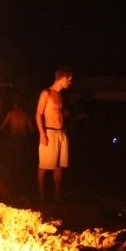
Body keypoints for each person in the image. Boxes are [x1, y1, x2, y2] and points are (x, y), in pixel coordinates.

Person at [36, 66, 73, 202]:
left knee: (59, 165)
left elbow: (60, 114)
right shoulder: (46, 93)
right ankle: (41, 196)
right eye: (69, 80)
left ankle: (57, 196)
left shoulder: (60, 95)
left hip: (61, 133)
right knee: (44, 166)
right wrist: (42, 134)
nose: (70, 82)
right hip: (48, 132)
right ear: (63, 79)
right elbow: (38, 114)